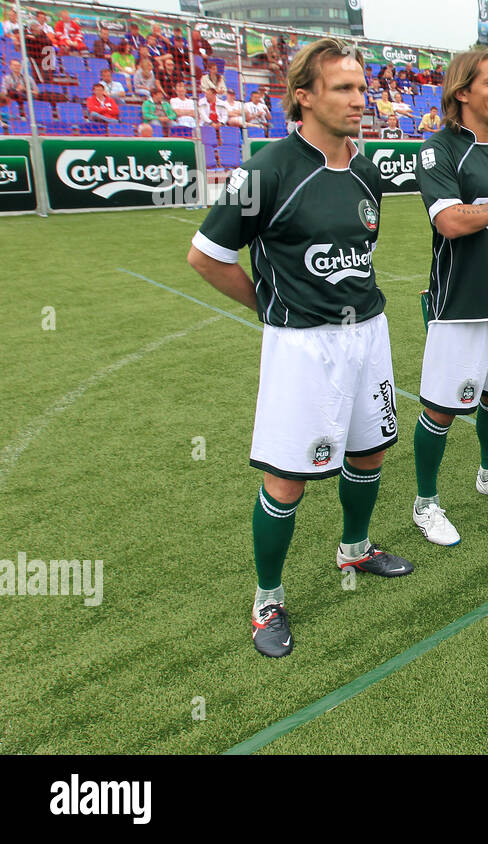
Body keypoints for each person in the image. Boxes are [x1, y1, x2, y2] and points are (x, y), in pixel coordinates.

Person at [186, 37, 414, 659]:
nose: (358, 100)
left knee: (369, 454)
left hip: (369, 335)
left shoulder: (364, 170)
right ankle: (267, 600)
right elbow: (205, 256)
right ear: (303, 96)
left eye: (362, 88)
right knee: (288, 478)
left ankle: (356, 549)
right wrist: (268, 306)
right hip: (303, 348)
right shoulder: (269, 170)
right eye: (343, 88)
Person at [410, 49, 488, 546]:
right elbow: (450, 223)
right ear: (462, 92)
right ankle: (426, 503)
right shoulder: (437, 151)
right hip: (459, 307)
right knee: (442, 409)